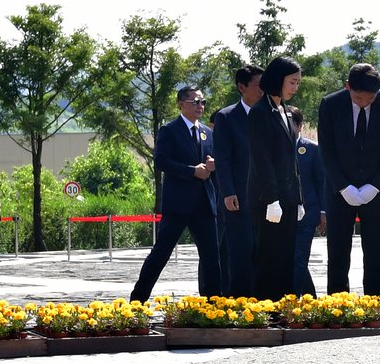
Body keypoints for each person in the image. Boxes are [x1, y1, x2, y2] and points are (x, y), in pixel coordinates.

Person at [129, 86, 223, 302]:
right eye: (195, 102)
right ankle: (137, 300)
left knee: (211, 256)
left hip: (205, 204)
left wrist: (213, 165)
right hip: (178, 204)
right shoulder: (170, 130)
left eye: (203, 102)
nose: (200, 106)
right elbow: (162, 161)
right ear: (181, 104)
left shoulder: (208, 132)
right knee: (161, 253)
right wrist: (192, 171)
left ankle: (214, 303)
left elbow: (215, 162)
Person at [316, 63, 380, 297]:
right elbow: (327, 149)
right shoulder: (331, 104)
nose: (364, 102)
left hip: (376, 188)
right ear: (348, 87)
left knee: (375, 250)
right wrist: (343, 186)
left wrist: (375, 185)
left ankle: (373, 303)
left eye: (370, 99)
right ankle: (338, 303)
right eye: (359, 98)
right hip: (339, 189)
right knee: (338, 250)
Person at [246, 57, 304, 301]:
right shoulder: (259, 112)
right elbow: (262, 159)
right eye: (291, 82)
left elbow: (292, 160)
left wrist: (298, 199)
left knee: (287, 256)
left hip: (288, 197)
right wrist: (271, 199)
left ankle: (285, 308)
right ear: (278, 79)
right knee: (269, 257)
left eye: (298, 83)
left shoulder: (287, 112)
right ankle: (265, 309)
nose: (295, 87)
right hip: (268, 198)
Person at [211, 64, 264, 295]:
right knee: (240, 252)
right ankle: (239, 302)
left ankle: (264, 301)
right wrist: (228, 192)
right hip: (238, 197)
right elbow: (223, 158)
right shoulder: (227, 117)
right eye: (258, 85)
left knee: (265, 253)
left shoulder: (271, 113)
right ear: (242, 87)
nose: (263, 90)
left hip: (268, 197)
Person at [291, 107, 325, 295]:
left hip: (309, 211)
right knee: (290, 258)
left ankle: (292, 300)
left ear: (299, 126)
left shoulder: (312, 149)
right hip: (282, 212)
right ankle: (310, 296)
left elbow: (321, 182)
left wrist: (323, 212)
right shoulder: (275, 146)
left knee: (299, 257)